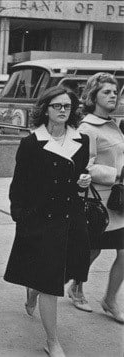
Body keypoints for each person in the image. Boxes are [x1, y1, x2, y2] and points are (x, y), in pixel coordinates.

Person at [4, 86, 91, 357]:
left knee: (70, 270)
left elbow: (77, 180)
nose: (63, 110)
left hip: (72, 218)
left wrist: (82, 184)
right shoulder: (31, 143)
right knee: (50, 282)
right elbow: (18, 188)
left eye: (67, 106)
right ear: (45, 110)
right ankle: (52, 341)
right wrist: (23, 219)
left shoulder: (82, 140)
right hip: (42, 221)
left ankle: (34, 292)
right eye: (57, 106)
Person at [68, 72, 124, 323]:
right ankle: (54, 286)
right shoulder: (88, 127)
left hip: (118, 201)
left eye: (115, 92)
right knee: (90, 252)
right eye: (106, 92)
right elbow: (85, 165)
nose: (113, 95)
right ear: (93, 97)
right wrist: (118, 173)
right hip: (99, 203)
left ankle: (110, 300)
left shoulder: (113, 124)